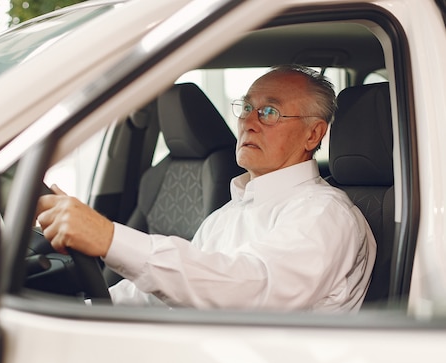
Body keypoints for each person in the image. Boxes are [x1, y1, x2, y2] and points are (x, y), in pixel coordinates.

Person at [36, 64, 376, 312]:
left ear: (313, 135)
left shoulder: (325, 214)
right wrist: (81, 311)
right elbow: (160, 296)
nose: (249, 122)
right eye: (246, 107)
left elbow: (250, 290)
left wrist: (109, 238)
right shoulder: (227, 215)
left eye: (269, 111)